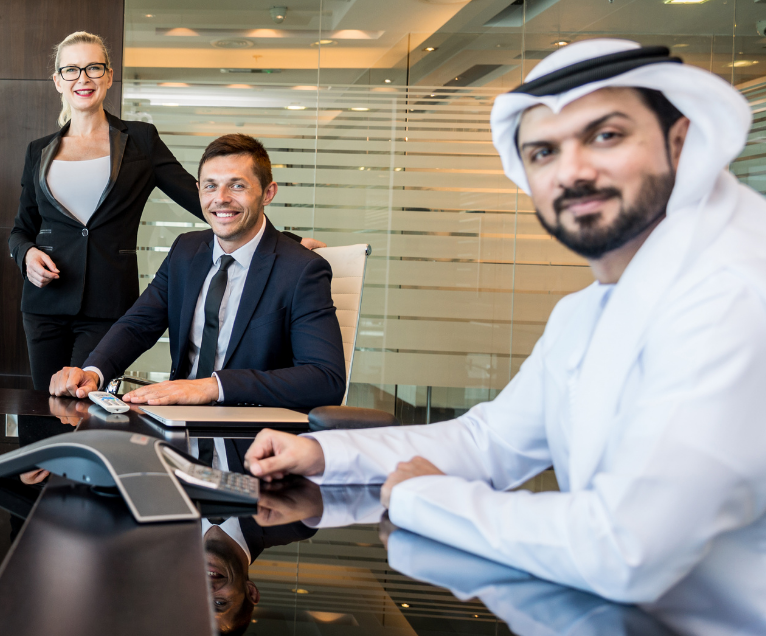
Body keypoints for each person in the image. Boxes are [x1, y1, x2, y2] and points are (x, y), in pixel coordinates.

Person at [242, 40, 766, 632]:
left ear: (680, 140)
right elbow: (492, 441)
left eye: (606, 136)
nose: (572, 171)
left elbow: (625, 550)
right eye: (544, 151)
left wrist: (423, 498)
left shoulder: (734, 291)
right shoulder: (591, 308)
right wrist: (324, 453)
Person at [10, 31, 324, 394]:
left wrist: (283, 242)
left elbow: (202, 197)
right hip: (44, 303)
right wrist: (26, 255)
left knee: (83, 407)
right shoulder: (40, 151)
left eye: (94, 68)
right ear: (57, 81)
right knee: (44, 406)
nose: (83, 78)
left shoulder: (140, 140)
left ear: (109, 76)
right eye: (71, 70)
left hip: (107, 300)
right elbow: (21, 229)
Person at [49, 134, 345, 410]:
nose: (221, 198)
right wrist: (93, 371)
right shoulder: (186, 251)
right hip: (175, 420)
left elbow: (325, 378)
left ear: (267, 193)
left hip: (251, 432)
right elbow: (138, 325)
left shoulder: (301, 269)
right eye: (210, 185)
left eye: (237, 185)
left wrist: (213, 387)